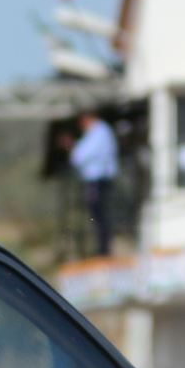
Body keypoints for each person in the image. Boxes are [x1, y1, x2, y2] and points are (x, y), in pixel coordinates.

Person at [68, 109, 119, 257]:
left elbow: (80, 156)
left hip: (98, 180)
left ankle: (104, 250)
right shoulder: (97, 133)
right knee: (97, 216)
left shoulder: (99, 132)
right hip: (95, 179)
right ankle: (102, 248)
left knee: (100, 215)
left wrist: (73, 149)